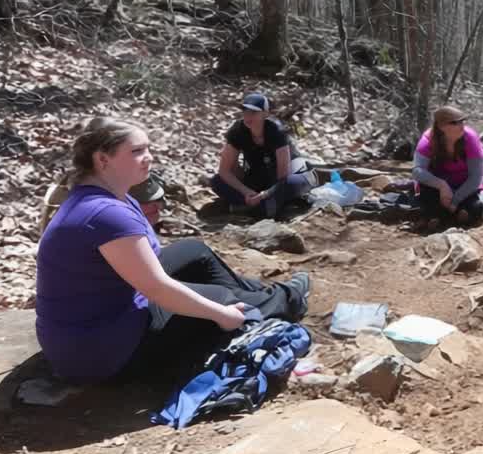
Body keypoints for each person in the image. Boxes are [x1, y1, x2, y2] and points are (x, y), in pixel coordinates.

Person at [35, 117, 311, 384]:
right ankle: (284, 300)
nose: (149, 156)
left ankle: (262, 298)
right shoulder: (105, 214)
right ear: (102, 159)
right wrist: (221, 314)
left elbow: (147, 267)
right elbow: (157, 288)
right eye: (136, 151)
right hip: (98, 353)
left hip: (99, 318)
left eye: (148, 148)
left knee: (193, 252)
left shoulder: (112, 197)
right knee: (221, 301)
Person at [209, 92, 317, 218]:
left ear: (265, 114)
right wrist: (246, 192)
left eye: (253, 112)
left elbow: (283, 176)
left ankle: (252, 207)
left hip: (282, 178)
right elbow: (224, 170)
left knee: (291, 183)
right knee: (217, 181)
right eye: (245, 111)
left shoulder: (276, 131)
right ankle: (261, 206)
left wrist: (265, 194)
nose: (248, 116)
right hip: (257, 177)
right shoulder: (238, 131)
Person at [412, 106, 483, 231]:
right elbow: (417, 171)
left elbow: (476, 177)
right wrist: (442, 186)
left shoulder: (470, 138)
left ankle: (453, 215)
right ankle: (438, 217)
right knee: (426, 195)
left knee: (477, 206)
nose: (461, 125)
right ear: (441, 127)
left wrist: (455, 201)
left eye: (462, 121)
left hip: (467, 184)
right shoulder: (427, 140)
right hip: (438, 186)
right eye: (454, 123)